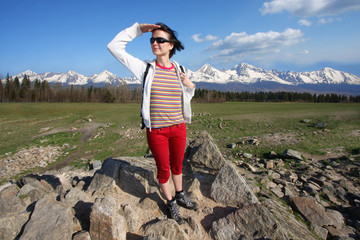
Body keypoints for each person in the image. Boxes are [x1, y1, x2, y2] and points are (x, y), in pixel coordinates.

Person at [107, 22, 197, 224]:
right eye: (152, 39)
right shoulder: (146, 69)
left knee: (177, 166)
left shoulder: (179, 69)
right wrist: (138, 29)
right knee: (163, 168)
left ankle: (180, 194)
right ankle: (171, 202)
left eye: (160, 40)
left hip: (179, 128)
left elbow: (184, 98)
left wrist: (191, 86)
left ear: (171, 45)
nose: (154, 43)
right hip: (157, 131)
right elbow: (114, 47)